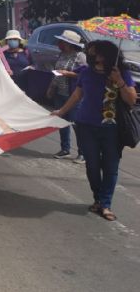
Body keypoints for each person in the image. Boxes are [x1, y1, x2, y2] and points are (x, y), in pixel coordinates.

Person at [52, 41, 137, 221]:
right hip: (85, 126)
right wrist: (61, 111)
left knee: (110, 167)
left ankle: (105, 204)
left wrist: (119, 81)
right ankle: (98, 198)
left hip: (112, 129)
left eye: (95, 54)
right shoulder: (86, 72)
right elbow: (77, 95)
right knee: (92, 166)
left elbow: (131, 100)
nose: (91, 57)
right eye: (90, 54)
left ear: (106, 55)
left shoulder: (122, 73)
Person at [46, 30, 87, 161]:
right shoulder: (62, 54)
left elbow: (85, 75)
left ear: (69, 44)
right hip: (60, 93)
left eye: (62, 42)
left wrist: (68, 74)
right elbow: (56, 73)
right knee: (61, 122)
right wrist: (51, 87)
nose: (59, 44)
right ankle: (65, 149)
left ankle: (83, 152)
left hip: (73, 94)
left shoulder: (80, 56)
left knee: (76, 123)